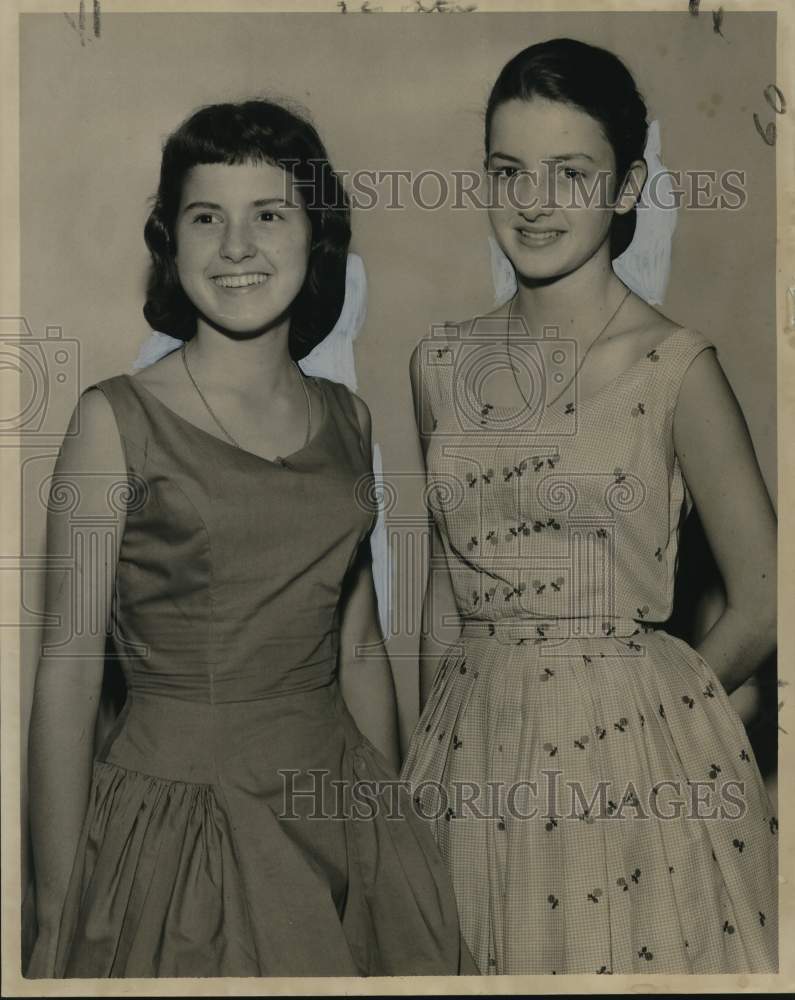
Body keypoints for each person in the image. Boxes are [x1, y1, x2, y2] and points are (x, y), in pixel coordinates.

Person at [26, 99, 473, 978]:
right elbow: (70, 671)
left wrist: (392, 842)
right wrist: (51, 911)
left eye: (269, 215)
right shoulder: (110, 422)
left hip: (338, 808)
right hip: (180, 829)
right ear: (170, 242)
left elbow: (357, 649)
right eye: (206, 218)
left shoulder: (348, 420)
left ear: (315, 239)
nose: (236, 247)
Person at [401, 38, 778, 975]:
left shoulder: (673, 366)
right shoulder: (438, 365)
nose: (533, 202)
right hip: (469, 756)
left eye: (571, 174)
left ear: (625, 187)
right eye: (508, 171)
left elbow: (769, 592)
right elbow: (444, 591)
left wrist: (667, 715)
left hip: (630, 769)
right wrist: (427, 763)